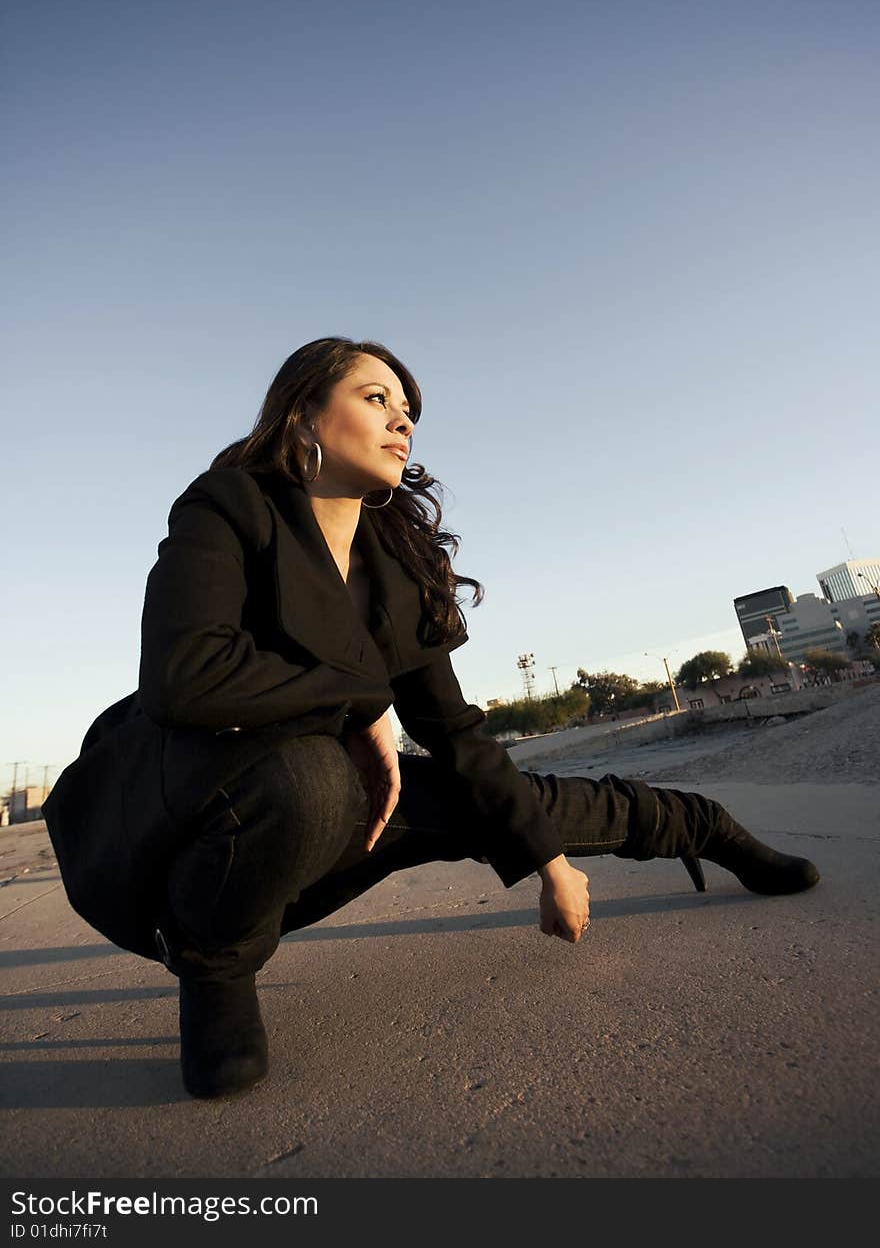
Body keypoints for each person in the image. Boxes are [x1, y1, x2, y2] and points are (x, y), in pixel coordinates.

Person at [43, 338, 819, 1101]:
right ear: (304, 416)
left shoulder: (396, 566)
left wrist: (549, 865)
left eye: (408, 409)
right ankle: (215, 972)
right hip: (185, 812)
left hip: (337, 799)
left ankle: (707, 826)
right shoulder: (229, 506)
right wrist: (361, 698)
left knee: (486, 798)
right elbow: (186, 678)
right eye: (375, 398)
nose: (402, 421)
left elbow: (460, 737)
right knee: (314, 778)